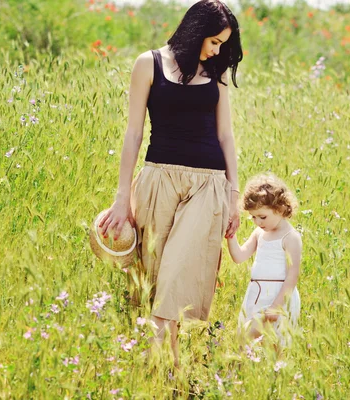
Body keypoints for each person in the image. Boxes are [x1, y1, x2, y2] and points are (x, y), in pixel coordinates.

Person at [98, 0, 243, 369]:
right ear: (195, 30)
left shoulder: (216, 74)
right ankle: (170, 379)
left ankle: (155, 371)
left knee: (177, 278)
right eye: (213, 41)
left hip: (207, 185)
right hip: (157, 178)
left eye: (222, 45)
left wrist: (233, 193)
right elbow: (133, 134)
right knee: (157, 284)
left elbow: (226, 135)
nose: (216, 50)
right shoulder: (148, 64)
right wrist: (121, 198)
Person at [226, 174, 302, 346]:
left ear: (280, 209)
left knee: (275, 347)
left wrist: (277, 304)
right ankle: (240, 373)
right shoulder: (259, 234)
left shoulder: (291, 238)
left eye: (262, 216)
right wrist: (231, 236)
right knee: (245, 341)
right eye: (253, 217)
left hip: (278, 296)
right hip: (256, 293)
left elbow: (293, 274)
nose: (257, 222)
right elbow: (239, 256)